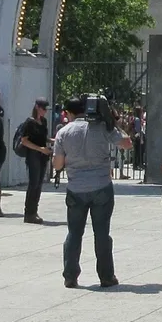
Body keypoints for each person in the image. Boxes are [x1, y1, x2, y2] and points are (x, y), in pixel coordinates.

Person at [52, 95, 118, 287]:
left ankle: (70, 276)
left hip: (75, 189)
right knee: (102, 233)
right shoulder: (102, 128)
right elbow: (126, 143)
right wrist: (110, 119)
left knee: (74, 233)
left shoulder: (63, 132)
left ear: (68, 113)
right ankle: (106, 276)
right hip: (101, 187)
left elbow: (57, 165)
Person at [15, 98, 52, 223]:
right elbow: (24, 141)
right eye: (43, 108)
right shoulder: (29, 123)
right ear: (37, 107)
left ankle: (34, 211)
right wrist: (40, 149)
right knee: (33, 183)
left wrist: (52, 141)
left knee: (39, 184)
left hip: (43, 155)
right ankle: (29, 213)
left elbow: (43, 137)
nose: (45, 111)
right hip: (33, 155)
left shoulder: (44, 121)